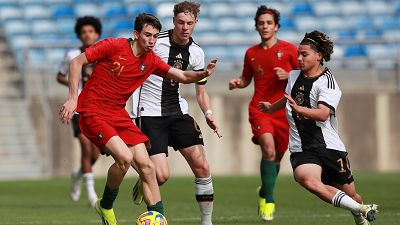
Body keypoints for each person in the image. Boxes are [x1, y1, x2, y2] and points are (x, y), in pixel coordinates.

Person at [59, 12, 218, 225]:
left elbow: (181, 76)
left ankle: (158, 219)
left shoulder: (151, 60)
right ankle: (105, 205)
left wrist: (203, 73)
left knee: (148, 168)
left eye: (154, 36)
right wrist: (72, 99)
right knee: (124, 158)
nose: (152, 41)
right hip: (93, 111)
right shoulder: (114, 45)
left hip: (118, 114)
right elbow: (77, 62)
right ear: (136, 34)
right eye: (147, 35)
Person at [258, 30, 378, 225]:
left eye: (304, 54)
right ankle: (361, 209)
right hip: (302, 149)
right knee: (309, 181)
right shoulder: (293, 76)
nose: (299, 58)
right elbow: (288, 97)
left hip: (329, 147)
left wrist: (300, 109)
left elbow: (323, 114)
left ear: (319, 55)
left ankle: (358, 209)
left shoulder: (328, 82)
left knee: (351, 195)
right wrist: (272, 107)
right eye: (298, 53)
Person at [130, 2, 220, 225]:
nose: (185, 27)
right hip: (149, 114)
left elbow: (201, 92)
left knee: (203, 165)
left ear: (196, 23)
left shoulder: (197, 53)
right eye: (180, 22)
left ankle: (206, 222)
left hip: (178, 112)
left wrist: (208, 113)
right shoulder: (154, 41)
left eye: (190, 23)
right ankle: (146, 179)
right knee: (160, 176)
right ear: (173, 21)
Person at [228, 5, 298, 222]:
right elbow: (247, 79)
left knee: (276, 158)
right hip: (260, 109)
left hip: (284, 111)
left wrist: (288, 75)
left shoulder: (290, 49)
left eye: (269, 23)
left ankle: (263, 192)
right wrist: (238, 83)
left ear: (276, 26)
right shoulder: (251, 53)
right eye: (261, 23)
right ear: (257, 26)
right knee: (267, 149)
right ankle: (269, 201)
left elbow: (304, 77)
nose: (265, 26)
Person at [57, 16, 101, 208]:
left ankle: (78, 174)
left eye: (90, 31)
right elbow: (59, 75)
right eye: (83, 32)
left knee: (97, 152)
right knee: (85, 146)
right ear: (79, 35)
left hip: (98, 107)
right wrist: (73, 84)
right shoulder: (72, 55)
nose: (87, 34)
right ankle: (91, 194)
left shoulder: (102, 54)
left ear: (97, 34)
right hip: (78, 108)